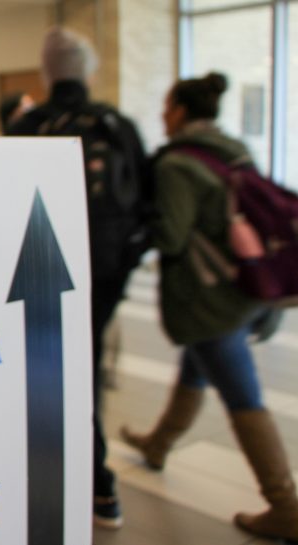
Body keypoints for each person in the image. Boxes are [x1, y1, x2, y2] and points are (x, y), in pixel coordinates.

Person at [120, 72, 298, 542]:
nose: (162, 114)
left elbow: (172, 237)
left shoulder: (177, 165)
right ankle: (159, 444)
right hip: (243, 285)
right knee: (194, 366)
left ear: (179, 111)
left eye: (166, 106)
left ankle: (285, 504)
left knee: (242, 395)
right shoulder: (232, 149)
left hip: (208, 298)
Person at [6, 27, 150, 530]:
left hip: (40, 267)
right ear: (87, 70)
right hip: (105, 273)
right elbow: (146, 207)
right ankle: (97, 485)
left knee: (53, 374)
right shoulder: (118, 126)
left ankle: (74, 478)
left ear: (47, 71)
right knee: (84, 369)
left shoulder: (27, 128)